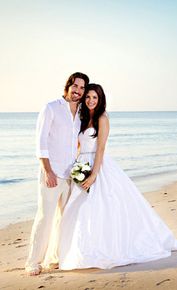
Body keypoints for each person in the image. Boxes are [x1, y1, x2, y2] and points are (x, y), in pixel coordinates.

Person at [58, 84, 177, 270]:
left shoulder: (102, 118)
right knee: (77, 209)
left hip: (97, 167)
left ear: (100, 100)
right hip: (82, 166)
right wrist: (74, 167)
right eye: (88, 97)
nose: (91, 100)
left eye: (95, 98)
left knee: (100, 207)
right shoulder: (82, 118)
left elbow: (101, 148)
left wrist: (94, 175)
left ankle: (101, 249)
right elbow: (78, 146)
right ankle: (75, 250)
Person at [25, 72, 89, 275]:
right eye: (75, 86)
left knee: (65, 219)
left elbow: (78, 143)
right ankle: (33, 262)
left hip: (70, 175)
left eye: (82, 88)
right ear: (68, 86)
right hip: (52, 174)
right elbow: (41, 142)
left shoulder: (80, 113)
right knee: (45, 218)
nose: (78, 91)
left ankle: (56, 258)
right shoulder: (51, 107)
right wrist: (47, 171)